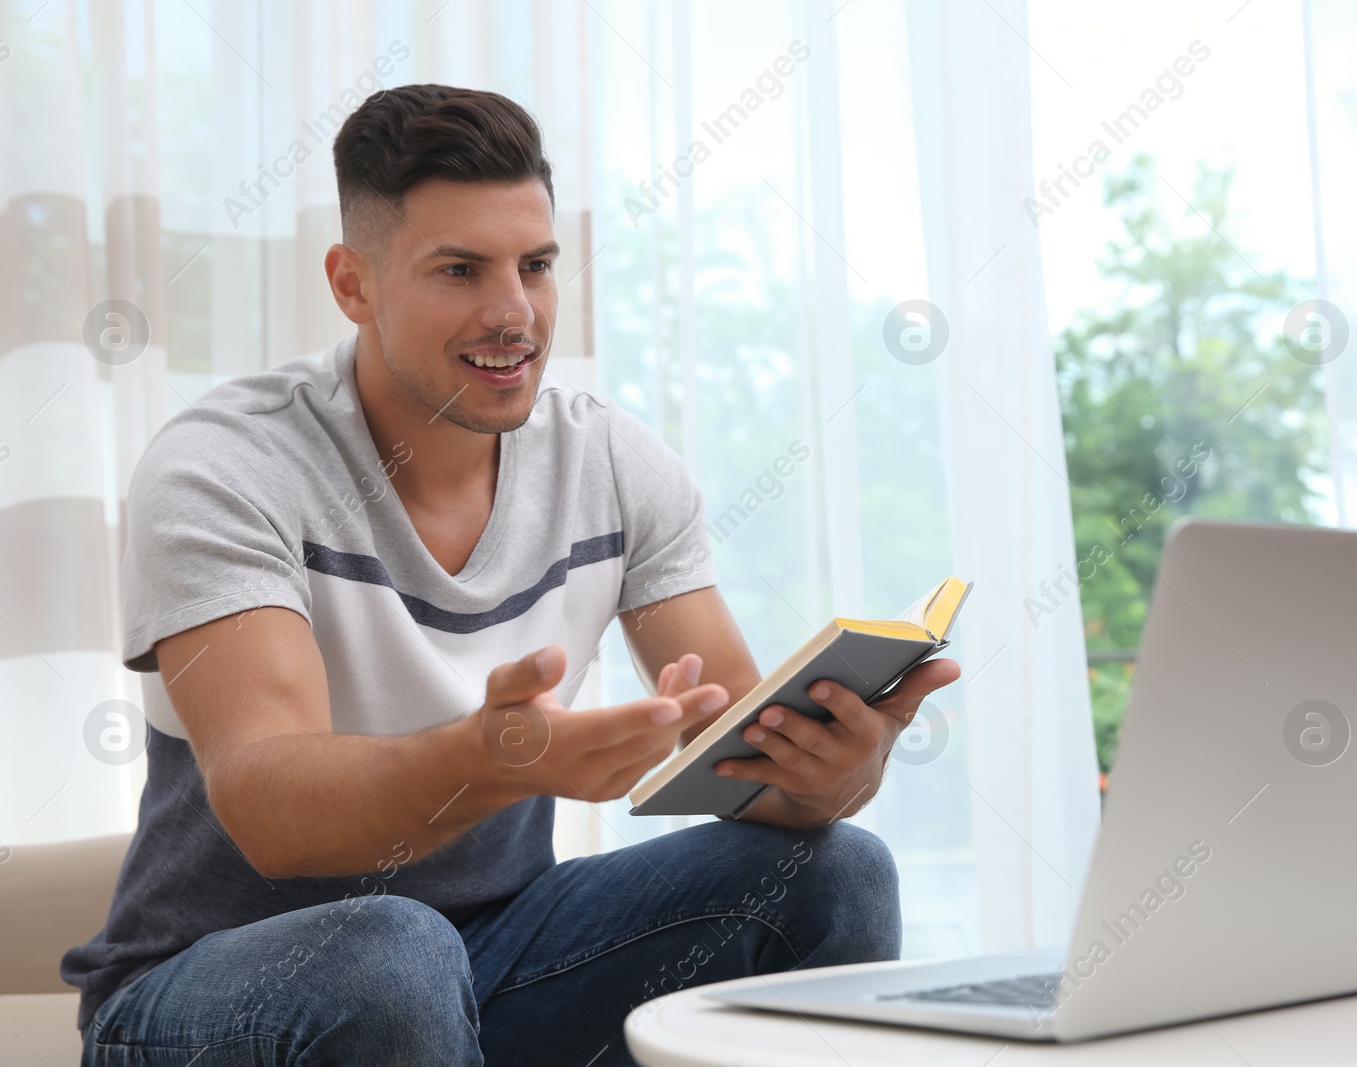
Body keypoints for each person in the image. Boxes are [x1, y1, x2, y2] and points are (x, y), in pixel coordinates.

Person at [62, 83, 960, 1066]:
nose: (513, 312)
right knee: (391, 951)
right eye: (460, 269)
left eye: (534, 265)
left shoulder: (612, 464)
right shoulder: (226, 466)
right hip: (209, 994)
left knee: (835, 872)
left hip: (489, 959)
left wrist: (832, 772)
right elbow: (271, 809)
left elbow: (741, 755)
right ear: (353, 284)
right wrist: (492, 757)